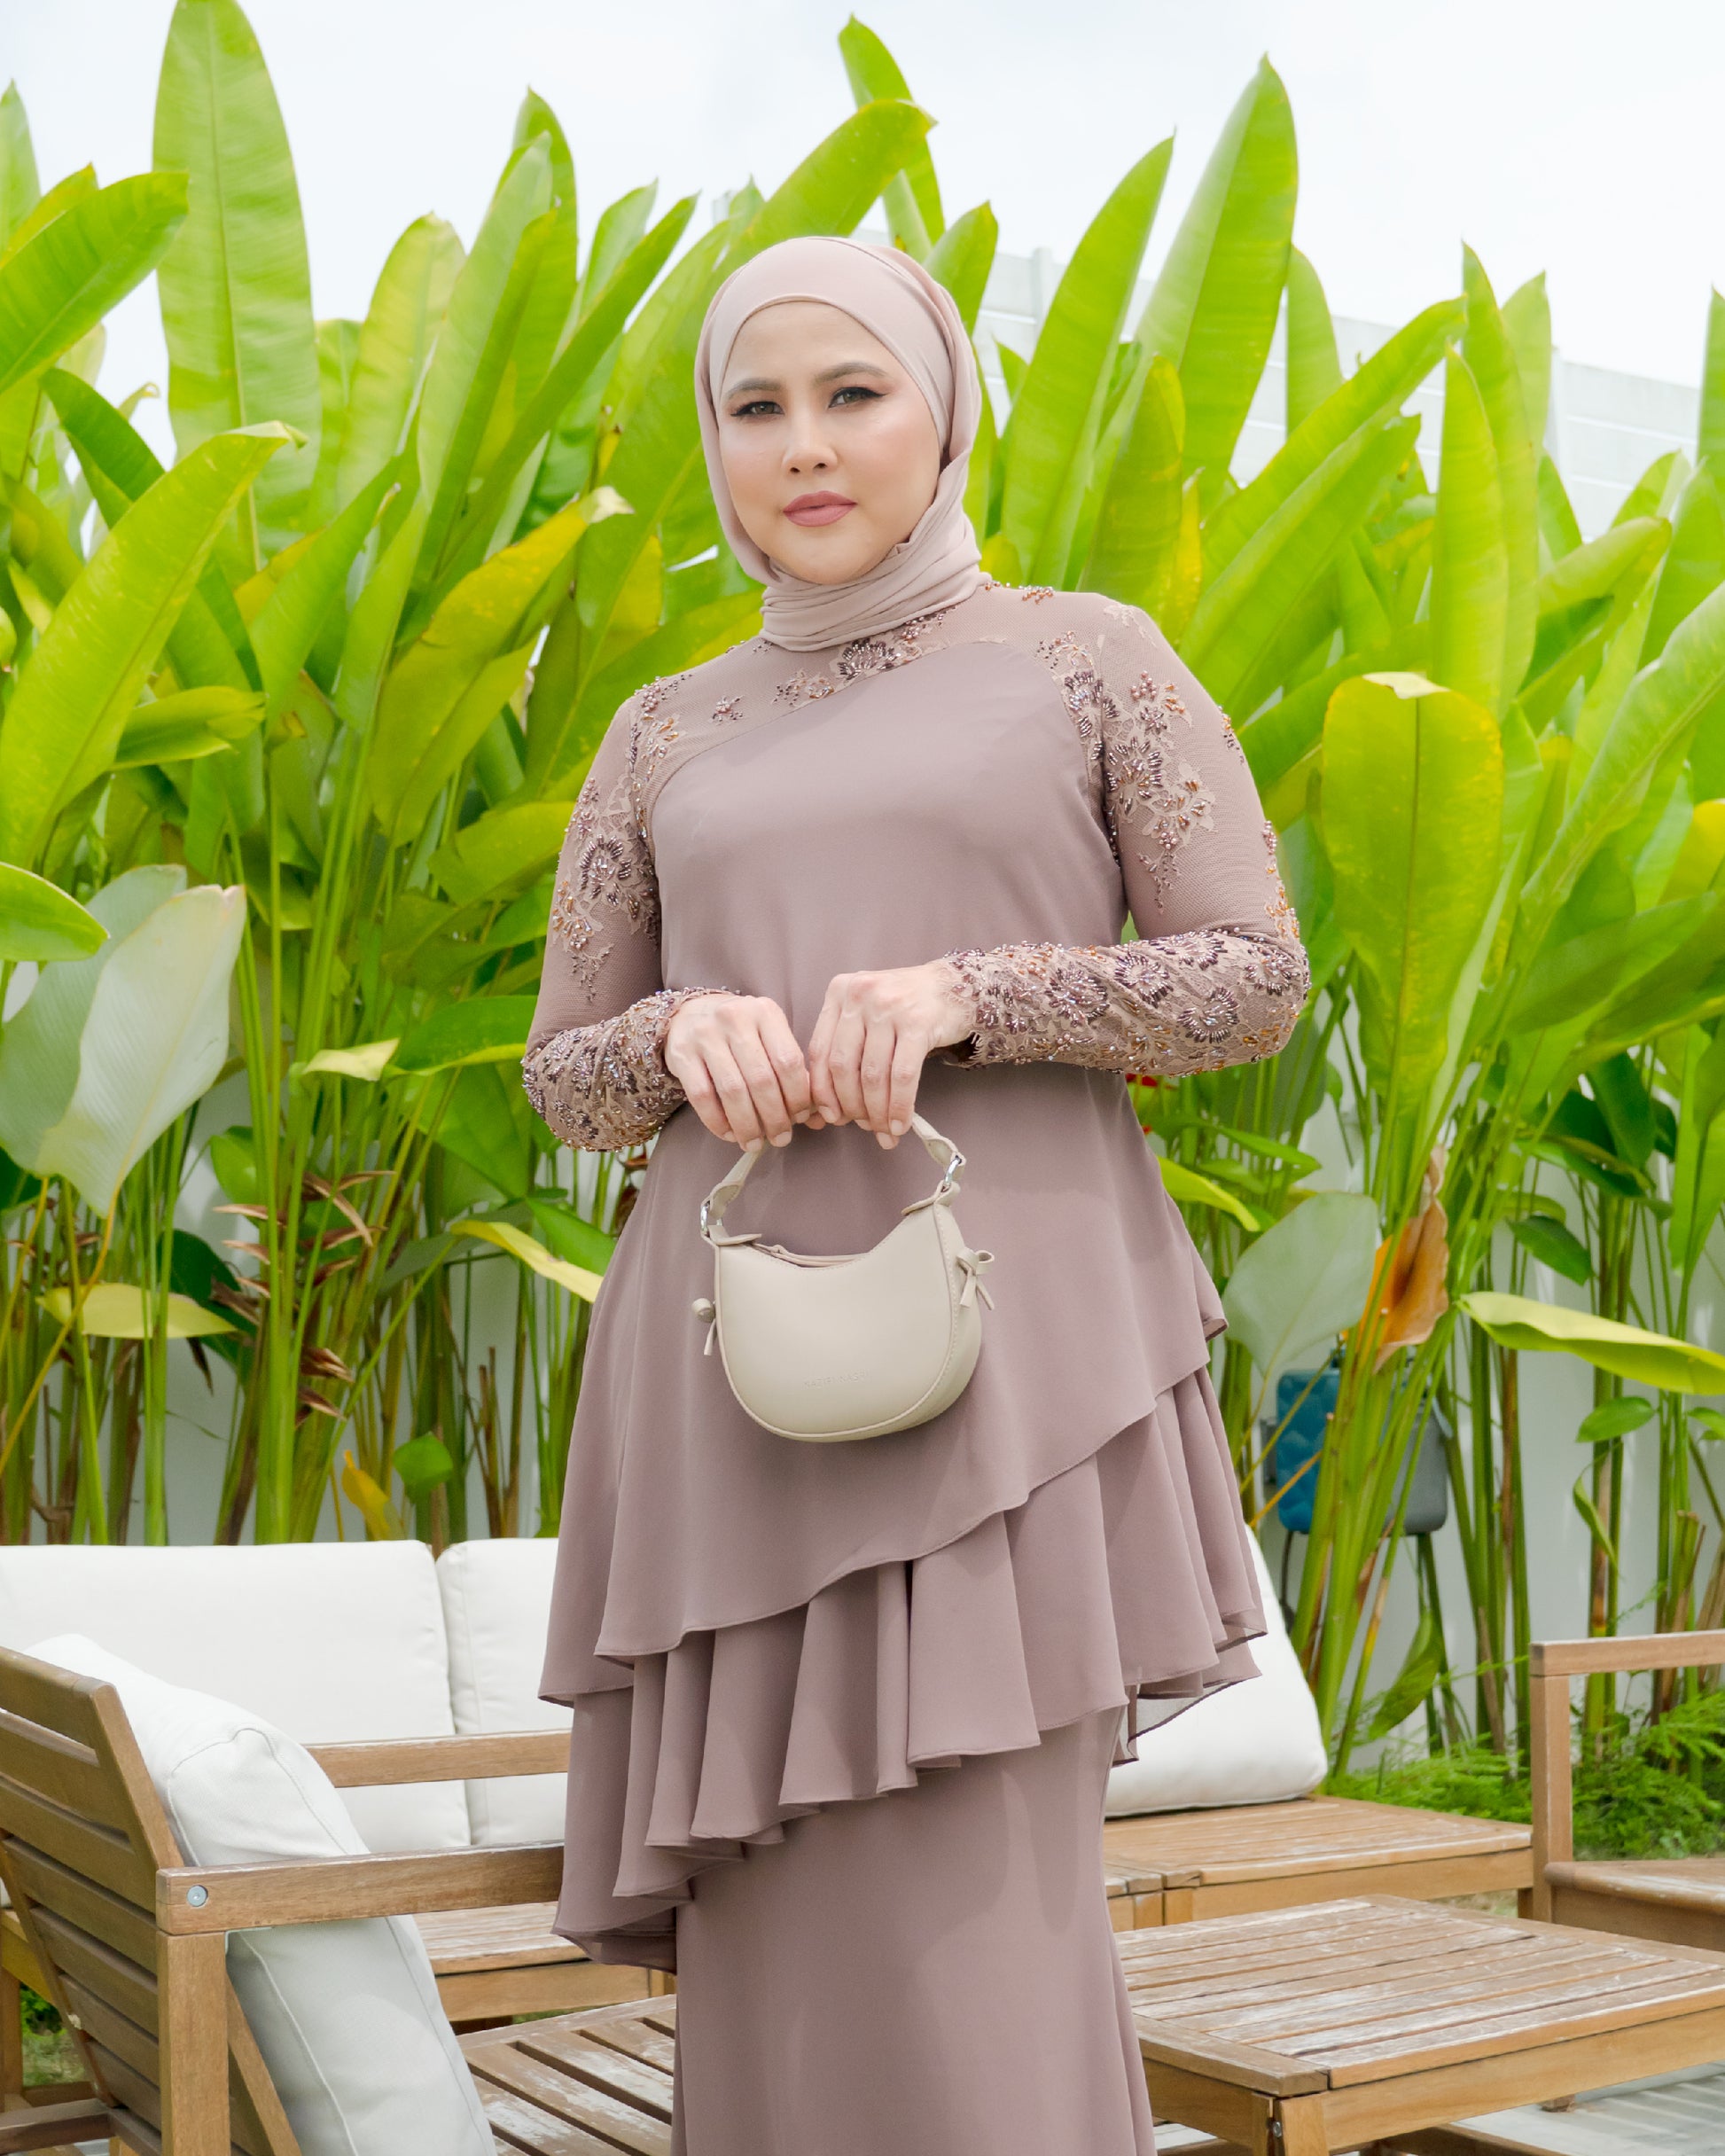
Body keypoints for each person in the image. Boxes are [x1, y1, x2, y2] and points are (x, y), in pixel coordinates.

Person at [523, 234, 1309, 2156]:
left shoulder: (1084, 657)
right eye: (756, 405)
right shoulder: (663, 726)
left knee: (975, 1909)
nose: (804, 443)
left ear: (943, 411)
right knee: (775, 1905)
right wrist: (683, 1032)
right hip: (731, 1367)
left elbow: (1251, 981)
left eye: (852, 392)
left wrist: (976, 991)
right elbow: (565, 1072)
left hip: (1006, 1376)